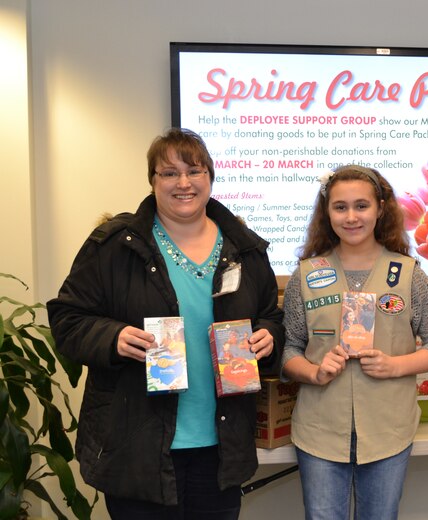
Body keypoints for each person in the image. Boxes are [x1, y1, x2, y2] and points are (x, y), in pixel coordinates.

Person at [47, 128, 284, 519]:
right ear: (153, 181)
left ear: (210, 176)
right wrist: (114, 337)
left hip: (220, 449)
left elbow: (270, 317)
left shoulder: (245, 247)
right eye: (169, 173)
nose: (183, 183)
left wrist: (268, 338)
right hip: (137, 448)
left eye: (194, 170)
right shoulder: (115, 246)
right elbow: (67, 318)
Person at [281, 164, 428, 520]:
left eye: (361, 206)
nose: (351, 217)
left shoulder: (408, 274)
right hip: (320, 433)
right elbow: (289, 351)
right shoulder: (306, 274)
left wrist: (397, 365)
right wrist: (314, 373)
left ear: (380, 208)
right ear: (326, 212)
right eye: (340, 207)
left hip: (388, 431)